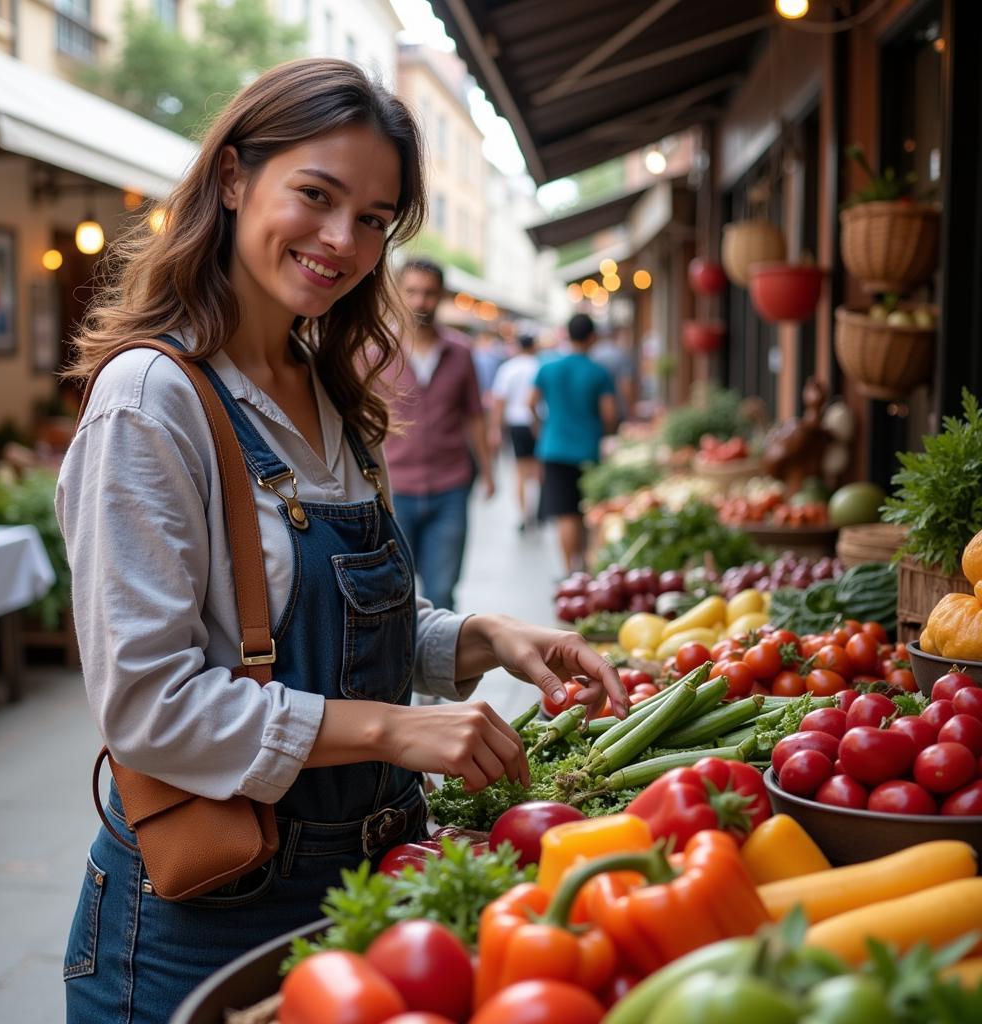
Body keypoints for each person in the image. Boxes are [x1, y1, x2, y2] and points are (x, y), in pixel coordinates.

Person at [56, 59, 627, 1024]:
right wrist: (399, 727)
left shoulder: (332, 396)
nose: (341, 241)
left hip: (363, 891)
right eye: (316, 196)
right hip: (205, 912)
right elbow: (149, 708)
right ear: (233, 179)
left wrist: (488, 640)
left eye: (373, 218)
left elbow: (359, 620)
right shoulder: (152, 402)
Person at [382, 259, 494, 611]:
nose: (420, 302)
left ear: (442, 295)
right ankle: (403, 666)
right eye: (412, 292)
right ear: (398, 293)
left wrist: (489, 472)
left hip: (451, 486)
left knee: (442, 591)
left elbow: (474, 415)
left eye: (429, 293)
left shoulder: (460, 352)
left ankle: (436, 667)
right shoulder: (376, 350)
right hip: (393, 488)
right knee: (393, 593)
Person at [531, 312, 618, 573]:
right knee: (587, 512)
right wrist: (603, 434)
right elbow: (610, 415)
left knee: (565, 514)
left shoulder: (548, 368)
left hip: (554, 448)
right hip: (588, 450)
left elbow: (530, 403)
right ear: (592, 338)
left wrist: (543, 429)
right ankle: (587, 566)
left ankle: (570, 571)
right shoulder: (598, 372)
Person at [490, 333, 540, 532]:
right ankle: (536, 511)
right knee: (536, 471)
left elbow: (499, 401)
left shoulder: (509, 368)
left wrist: (496, 429)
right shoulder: (539, 366)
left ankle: (523, 514)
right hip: (538, 421)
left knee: (520, 472)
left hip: (516, 423)